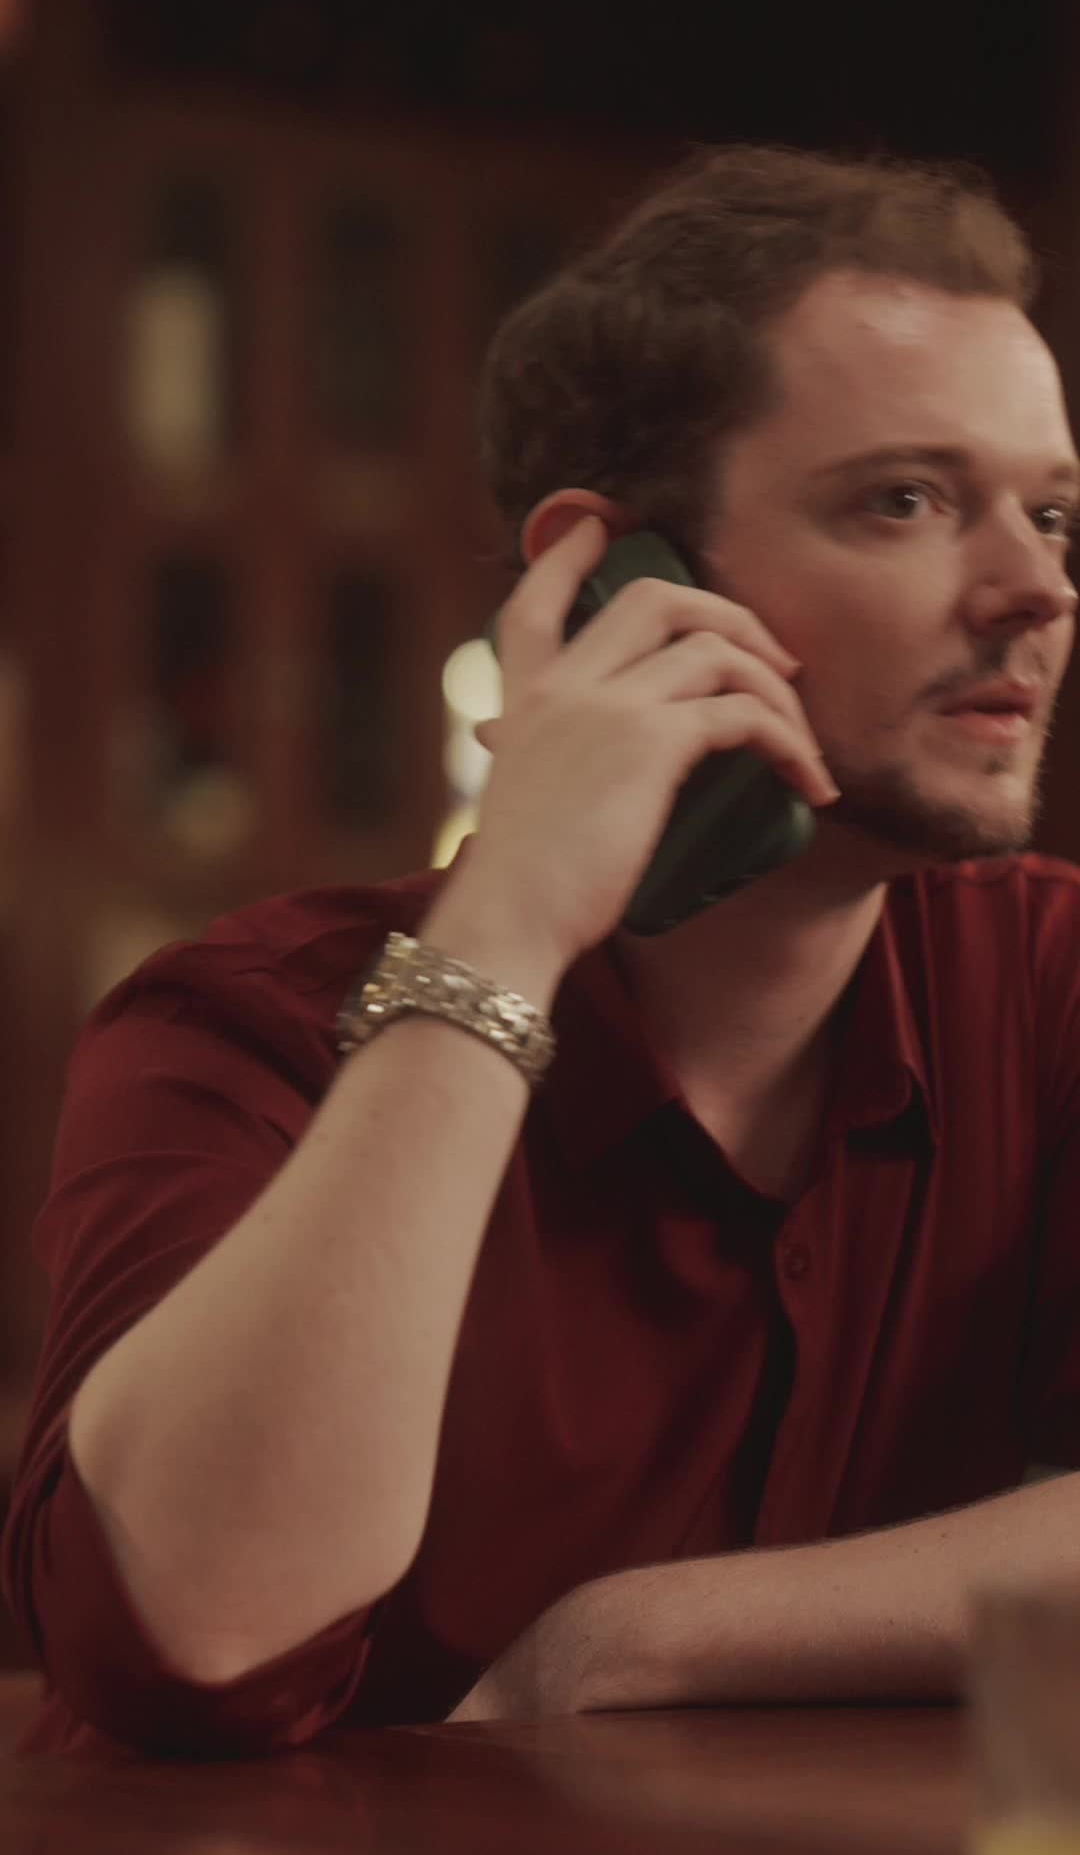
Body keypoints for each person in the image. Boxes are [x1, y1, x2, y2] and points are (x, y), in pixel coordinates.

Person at [5, 140, 1080, 1759]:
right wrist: (508, 914)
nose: (1033, 589)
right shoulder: (238, 1031)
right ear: (610, 580)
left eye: (1052, 513)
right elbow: (197, 1633)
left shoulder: (1047, 979)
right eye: (907, 501)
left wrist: (640, 1637)